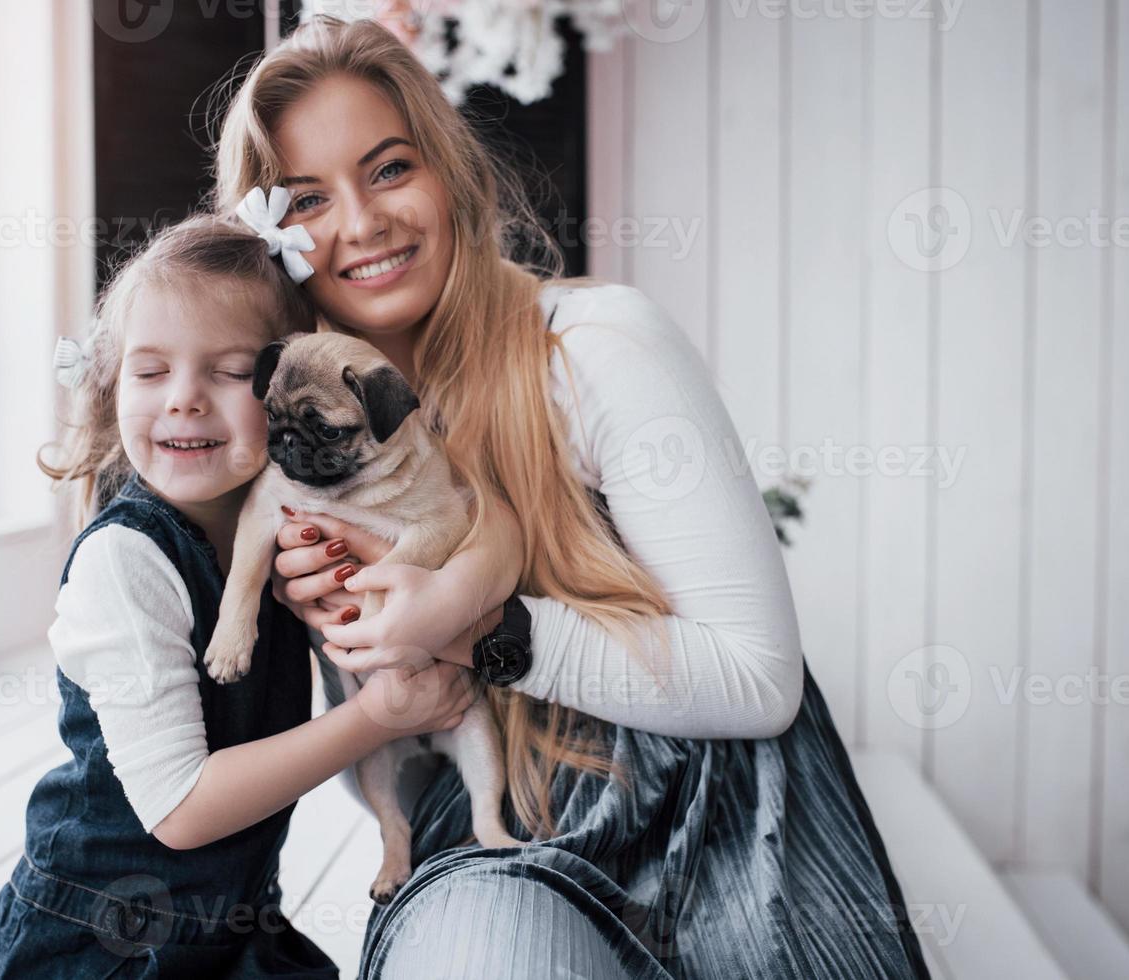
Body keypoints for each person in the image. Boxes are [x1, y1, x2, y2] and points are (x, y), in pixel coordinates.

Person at [210, 16, 932, 978]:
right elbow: (387, 745)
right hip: (494, 833)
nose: (360, 222)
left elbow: (761, 680)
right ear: (272, 237)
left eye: (389, 169)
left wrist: (467, 624)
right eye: (306, 197)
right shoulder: (292, 433)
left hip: (699, 824)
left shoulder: (593, 348)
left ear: (452, 175)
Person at [0, 211, 477, 978]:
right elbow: (179, 810)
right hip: (103, 945)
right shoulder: (126, 564)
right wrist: (378, 716)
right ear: (111, 382)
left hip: (229, 930)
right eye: (150, 370)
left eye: (231, 373)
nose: (185, 400)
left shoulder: (278, 532)